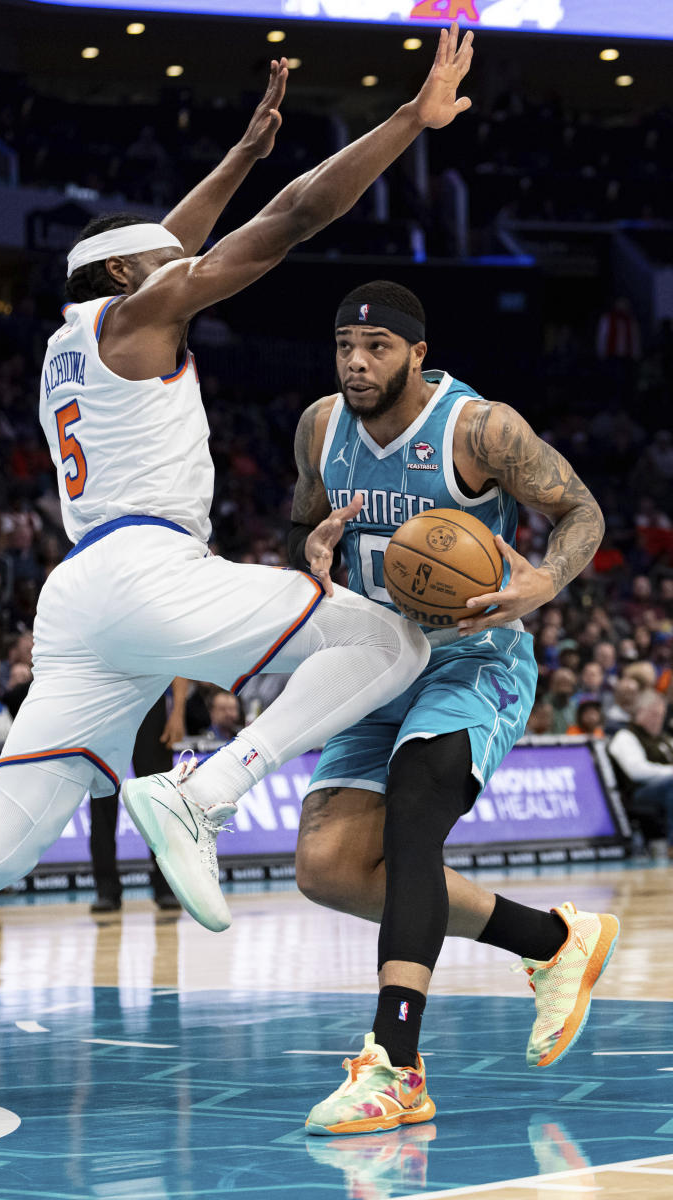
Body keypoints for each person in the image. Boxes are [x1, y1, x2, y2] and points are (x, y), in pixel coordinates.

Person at [0, 32, 474, 1129]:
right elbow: (296, 220)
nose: (177, 263)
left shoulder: (82, 330)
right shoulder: (141, 316)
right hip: (149, 569)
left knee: (5, 838)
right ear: (132, 277)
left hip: (82, 600)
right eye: (159, 262)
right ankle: (209, 790)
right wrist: (410, 120)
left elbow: (168, 241)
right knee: (395, 641)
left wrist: (240, 150)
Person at [286, 279, 617, 1136]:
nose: (358, 363)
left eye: (378, 349)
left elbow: (579, 509)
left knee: (414, 809)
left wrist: (544, 579)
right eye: (345, 347)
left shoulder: (479, 429)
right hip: (375, 662)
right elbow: (305, 528)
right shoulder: (320, 428)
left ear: (417, 354)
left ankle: (395, 1063)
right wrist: (312, 545)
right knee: (326, 867)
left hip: (475, 657)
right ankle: (551, 944)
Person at [89, 681, 187, 913]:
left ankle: (166, 887)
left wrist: (178, 712)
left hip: (150, 701)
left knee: (160, 801)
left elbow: (175, 661)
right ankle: (106, 890)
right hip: (107, 705)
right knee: (102, 802)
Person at [608, 691, 673, 851]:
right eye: (654, 714)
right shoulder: (625, 736)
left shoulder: (664, 738)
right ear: (641, 712)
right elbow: (637, 771)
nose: (659, 720)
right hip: (638, 793)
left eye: (661, 715)